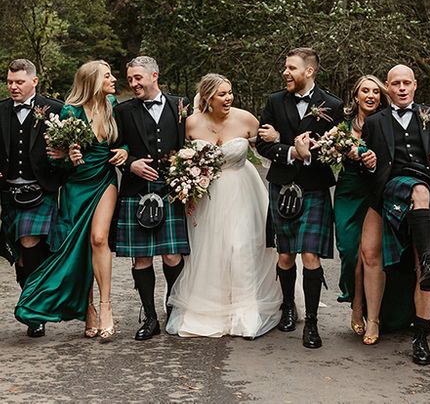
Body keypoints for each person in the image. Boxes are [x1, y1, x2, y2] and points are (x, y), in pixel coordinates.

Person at [15, 60, 128, 340]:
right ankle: (86, 308)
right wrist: (69, 158)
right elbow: (58, 163)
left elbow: (123, 141)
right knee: (79, 247)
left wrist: (124, 151)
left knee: (99, 239)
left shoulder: (113, 105)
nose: (113, 79)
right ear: (92, 82)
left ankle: (106, 307)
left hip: (104, 180)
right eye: (107, 76)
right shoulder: (70, 111)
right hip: (77, 186)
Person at [166, 74, 282, 339]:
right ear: (207, 98)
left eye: (230, 93)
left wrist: (275, 137)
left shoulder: (246, 119)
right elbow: (178, 158)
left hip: (242, 190)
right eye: (222, 94)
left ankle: (244, 312)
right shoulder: (191, 123)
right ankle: (210, 310)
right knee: (209, 250)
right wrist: (186, 183)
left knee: (240, 247)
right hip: (207, 195)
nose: (228, 98)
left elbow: (268, 150)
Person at [361, 64, 430, 365]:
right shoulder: (374, 122)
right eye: (396, 84)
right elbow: (365, 161)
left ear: (415, 85)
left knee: (423, 264)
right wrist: (368, 161)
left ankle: (421, 337)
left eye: (407, 83)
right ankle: (373, 319)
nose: (402, 88)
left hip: (424, 191)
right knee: (370, 252)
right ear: (387, 88)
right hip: (391, 187)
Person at [255, 47, 344, 349]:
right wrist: (292, 151)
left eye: (291, 68)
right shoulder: (274, 102)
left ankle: (313, 324)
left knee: (310, 256)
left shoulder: (333, 105)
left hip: (314, 186)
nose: (285, 73)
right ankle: (288, 307)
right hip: (281, 185)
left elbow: (335, 150)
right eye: (285, 67)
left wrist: (308, 155)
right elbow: (263, 147)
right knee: (284, 255)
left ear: (309, 71)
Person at [113, 56, 190, 340]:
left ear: (154, 75)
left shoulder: (180, 105)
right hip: (137, 190)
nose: (133, 84)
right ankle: (150, 316)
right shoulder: (122, 111)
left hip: (171, 189)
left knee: (172, 254)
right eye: (129, 79)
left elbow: (191, 141)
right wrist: (129, 163)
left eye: (138, 78)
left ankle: (174, 306)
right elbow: (113, 146)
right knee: (141, 258)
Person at [0, 59, 63, 337]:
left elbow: (70, 148)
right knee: (21, 256)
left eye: (19, 82)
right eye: (10, 82)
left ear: (34, 82)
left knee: (30, 241)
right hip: (10, 192)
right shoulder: (0, 111)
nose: (13, 87)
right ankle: (31, 302)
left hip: (41, 191)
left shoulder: (55, 110)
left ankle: (34, 311)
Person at [333, 75, 387, 345]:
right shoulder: (342, 125)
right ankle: (356, 302)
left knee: (370, 253)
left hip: (375, 189)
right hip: (348, 190)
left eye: (375, 92)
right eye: (365, 90)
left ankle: (363, 308)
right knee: (348, 250)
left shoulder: (386, 123)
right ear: (355, 96)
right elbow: (328, 151)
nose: (370, 95)